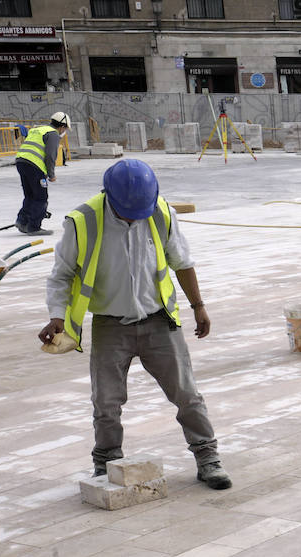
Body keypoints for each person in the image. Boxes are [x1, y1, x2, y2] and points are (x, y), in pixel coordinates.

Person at [36, 159, 231, 489]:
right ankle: (107, 463)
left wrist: (199, 306)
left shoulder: (160, 211)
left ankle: (207, 457)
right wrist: (57, 315)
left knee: (187, 395)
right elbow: (61, 276)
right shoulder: (82, 221)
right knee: (106, 403)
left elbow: (182, 262)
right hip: (111, 325)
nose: (134, 217)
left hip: (158, 320)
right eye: (127, 211)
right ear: (108, 196)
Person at [15, 111, 70, 236]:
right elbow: (50, 156)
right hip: (34, 165)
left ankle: (22, 221)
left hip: (21, 161)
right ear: (62, 126)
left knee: (30, 195)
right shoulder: (53, 134)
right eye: (65, 128)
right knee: (41, 197)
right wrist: (51, 175)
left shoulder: (38, 129)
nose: (64, 131)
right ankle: (34, 227)